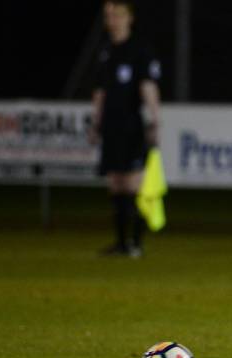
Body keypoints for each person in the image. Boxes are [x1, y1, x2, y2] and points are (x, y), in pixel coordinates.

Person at [89, 0, 161, 257]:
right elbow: (100, 91)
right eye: (109, 15)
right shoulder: (105, 50)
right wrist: (95, 122)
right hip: (110, 126)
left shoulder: (140, 50)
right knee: (115, 184)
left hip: (132, 125)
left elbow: (148, 87)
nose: (113, 20)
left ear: (129, 17)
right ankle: (121, 244)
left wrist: (154, 119)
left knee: (135, 184)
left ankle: (136, 244)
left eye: (118, 15)